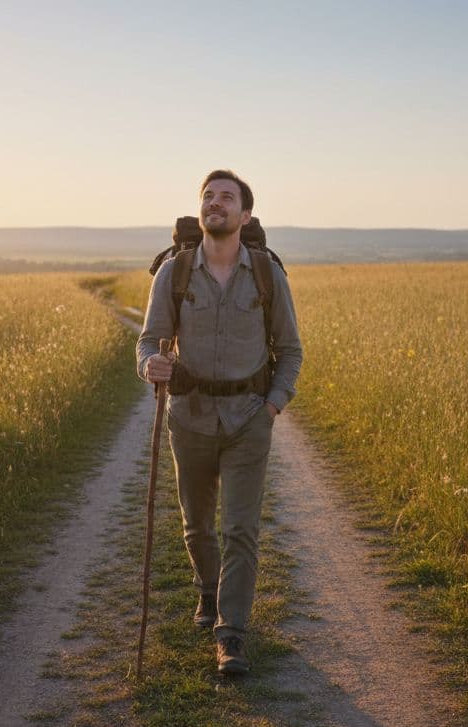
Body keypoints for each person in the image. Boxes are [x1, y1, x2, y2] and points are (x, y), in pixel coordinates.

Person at [137, 169, 303, 675]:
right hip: (188, 417)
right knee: (195, 528)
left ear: (244, 215)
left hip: (249, 418)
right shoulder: (176, 271)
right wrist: (152, 366)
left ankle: (230, 634)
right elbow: (148, 341)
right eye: (208, 197)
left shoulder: (268, 274)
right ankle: (208, 591)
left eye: (226, 198)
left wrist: (272, 407)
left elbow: (290, 351)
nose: (215, 204)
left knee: (240, 530)